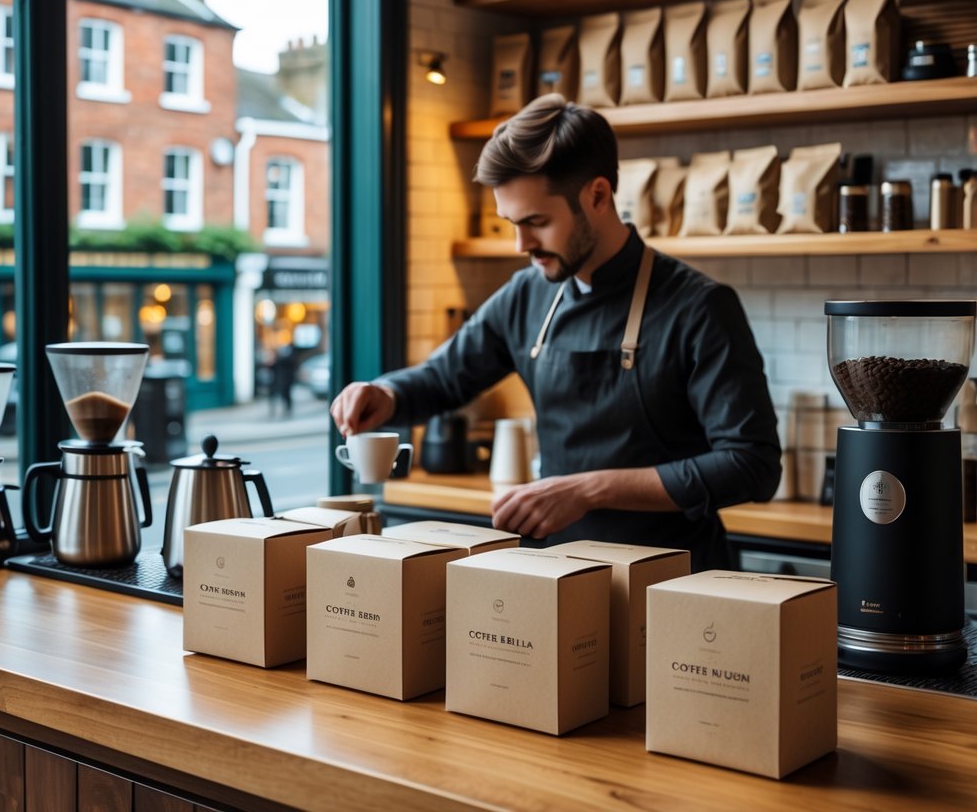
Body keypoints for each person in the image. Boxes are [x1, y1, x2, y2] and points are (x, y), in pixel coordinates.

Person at [330, 94, 781, 570]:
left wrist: (588, 489)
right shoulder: (527, 295)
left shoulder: (699, 306)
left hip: (675, 580)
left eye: (537, 223)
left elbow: (751, 465)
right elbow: (446, 377)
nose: (523, 245)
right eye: (512, 225)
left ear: (599, 195)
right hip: (559, 575)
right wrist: (386, 394)